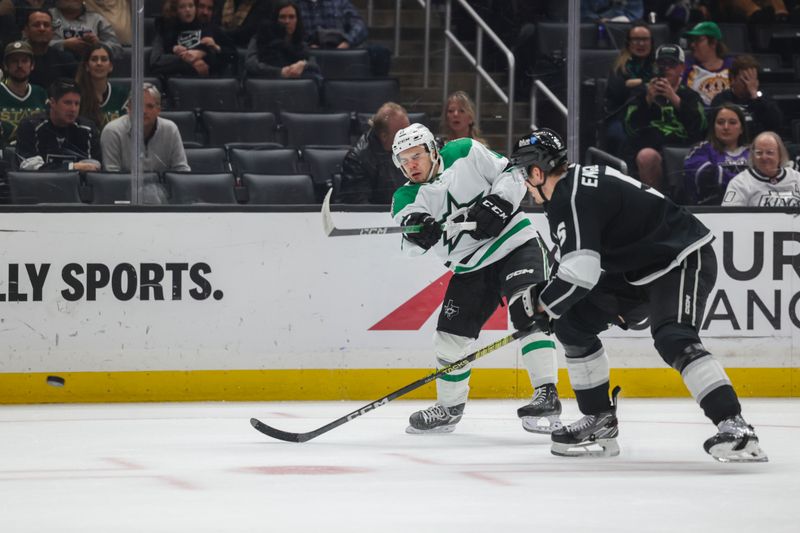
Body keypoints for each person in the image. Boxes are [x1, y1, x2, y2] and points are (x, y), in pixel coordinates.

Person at [507, 127, 767, 463]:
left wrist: (540, 305)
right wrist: (549, 309)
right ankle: (599, 419)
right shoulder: (571, 190)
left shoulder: (571, 196)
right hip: (636, 270)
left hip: (680, 256)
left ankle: (735, 426)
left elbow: (580, 272)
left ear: (537, 172)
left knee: (673, 335)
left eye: (524, 175)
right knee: (573, 325)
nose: (525, 185)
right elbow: (573, 266)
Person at [389, 123, 562, 435]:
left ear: (432, 150)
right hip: (470, 268)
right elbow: (408, 247)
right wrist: (419, 233)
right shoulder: (405, 198)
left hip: (516, 245)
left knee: (528, 307)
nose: (411, 164)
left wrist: (500, 202)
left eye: (416, 155)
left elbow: (513, 174)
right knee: (449, 340)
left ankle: (546, 395)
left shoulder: (465, 151)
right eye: (404, 159)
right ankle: (449, 408)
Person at [624, 43, 706, 192]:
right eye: (662, 63)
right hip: (651, 150)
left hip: (683, 150)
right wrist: (647, 100)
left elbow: (700, 127)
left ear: (681, 67)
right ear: (655, 66)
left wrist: (674, 99)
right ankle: (655, 205)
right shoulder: (641, 93)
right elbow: (630, 129)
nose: (666, 68)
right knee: (646, 156)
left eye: (672, 64)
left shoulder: (690, 96)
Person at [101, 82, 190, 173]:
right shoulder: (112, 131)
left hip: (162, 187)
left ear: (158, 110)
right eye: (138, 106)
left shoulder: (170, 129)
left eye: (150, 106)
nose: (143, 111)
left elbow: (182, 171)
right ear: (129, 108)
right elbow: (111, 178)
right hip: (124, 187)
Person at [16, 78, 101, 171]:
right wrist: (72, 167)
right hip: (39, 184)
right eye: (67, 103)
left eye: (77, 104)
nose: (73, 109)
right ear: (52, 102)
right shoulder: (30, 126)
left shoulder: (88, 129)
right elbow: (29, 167)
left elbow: (94, 166)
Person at [296, 0, 390, 76]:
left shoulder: (340, 2)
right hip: (308, 52)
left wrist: (347, 42)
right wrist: (306, 46)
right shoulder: (294, 3)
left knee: (379, 52)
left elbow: (360, 25)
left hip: (341, 50)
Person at [339, 102, 409, 204]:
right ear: (384, 136)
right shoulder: (358, 160)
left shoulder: (413, 148)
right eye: (403, 134)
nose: (409, 137)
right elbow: (359, 206)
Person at [603, 21, 655, 154]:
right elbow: (619, 93)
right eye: (636, 40)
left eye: (645, 40)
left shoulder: (658, 64)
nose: (641, 44)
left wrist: (638, 83)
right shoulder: (620, 67)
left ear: (651, 42)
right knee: (621, 136)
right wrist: (646, 84)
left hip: (651, 115)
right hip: (621, 117)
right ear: (628, 42)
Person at [682, 103, 749, 205]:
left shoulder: (754, 152)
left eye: (732, 122)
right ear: (713, 127)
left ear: (741, 128)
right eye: (720, 122)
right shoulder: (701, 150)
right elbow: (706, 177)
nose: (726, 127)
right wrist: (747, 182)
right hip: (711, 210)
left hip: (752, 210)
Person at [710, 54, 782, 140]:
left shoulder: (764, 98)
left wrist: (755, 96)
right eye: (745, 80)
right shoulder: (721, 99)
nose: (749, 85)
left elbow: (776, 125)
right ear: (733, 79)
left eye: (753, 80)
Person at [245, 0, 320, 82]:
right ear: (275, 19)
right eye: (282, 17)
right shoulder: (259, 38)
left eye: (291, 17)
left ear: (297, 20)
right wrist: (280, 72)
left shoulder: (301, 42)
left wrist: (303, 64)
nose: (287, 21)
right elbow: (251, 64)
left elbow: (313, 63)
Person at [722, 131, 800, 206]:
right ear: (753, 156)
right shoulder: (739, 183)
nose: (764, 157)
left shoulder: (797, 178)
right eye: (759, 153)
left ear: (780, 154)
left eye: (769, 152)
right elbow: (729, 216)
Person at [150, 0, 224, 78]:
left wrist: (204, 52)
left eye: (191, 6)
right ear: (175, 10)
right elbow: (156, 63)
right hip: (177, 79)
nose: (188, 10)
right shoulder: (165, 29)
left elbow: (225, 57)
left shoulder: (208, 27)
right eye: (182, 7)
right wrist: (187, 61)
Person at [0, 40, 47, 148]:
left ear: (32, 65)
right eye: (14, 61)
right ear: (5, 66)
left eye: (24, 61)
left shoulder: (40, 93)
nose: (20, 65)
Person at [75, 42, 128, 131]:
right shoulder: (77, 94)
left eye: (104, 59)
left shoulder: (121, 95)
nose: (99, 63)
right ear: (87, 66)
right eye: (94, 59)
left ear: (110, 66)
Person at [49, 0, 122, 62]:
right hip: (54, 68)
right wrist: (63, 44)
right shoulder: (45, 16)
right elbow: (37, 46)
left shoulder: (97, 20)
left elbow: (117, 49)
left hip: (91, 70)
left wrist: (98, 45)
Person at [681, 21, 733, 108]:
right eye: (692, 40)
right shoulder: (687, 69)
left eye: (698, 40)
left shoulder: (733, 67)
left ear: (713, 42)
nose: (693, 45)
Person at [23, 8, 78, 90]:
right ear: (26, 31)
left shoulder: (65, 59)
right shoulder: (17, 59)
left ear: (52, 31)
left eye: (46, 25)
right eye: (36, 25)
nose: (42, 29)